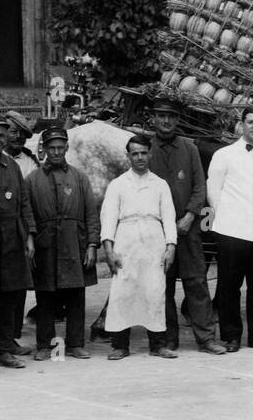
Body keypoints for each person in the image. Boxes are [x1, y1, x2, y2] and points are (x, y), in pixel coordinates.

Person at [148, 96, 225, 356]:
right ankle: (169, 339)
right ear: (154, 118)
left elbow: (200, 187)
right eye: (161, 116)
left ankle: (206, 339)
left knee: (196, 282)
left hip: (188, 228)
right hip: (158, 231)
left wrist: (190, 216)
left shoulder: (190, 149)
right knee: (163, 285)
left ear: (178, 120)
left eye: (171, 116)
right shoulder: (145, 150)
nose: (166, 121)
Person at [208, 106, 253, 351]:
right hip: (231, 229)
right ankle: (231, 336)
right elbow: (214, 191)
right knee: (229, 286)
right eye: (250, 122)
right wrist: (227, 217)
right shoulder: (224, 155)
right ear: (241, 124)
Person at [100, 132, 176, 360]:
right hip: (126, 240)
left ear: (150, 154)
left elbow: (169, 217)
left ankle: (158, 344)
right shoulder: (118, 184)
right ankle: (120, 345)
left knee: (154, 291)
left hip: (154, 241)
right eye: (135, 154)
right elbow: (108, 217)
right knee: (124, 292)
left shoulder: (160, 185)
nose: (140, 157)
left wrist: (170, 246)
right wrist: (109, 249)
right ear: (128, 156)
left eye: (144, 153)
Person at [27, 126, 98, 361]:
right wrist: (30, 240)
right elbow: (26, 215)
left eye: (60, 147)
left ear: (66, 148)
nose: (56, 152)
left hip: (74, 243)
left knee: (76, 295)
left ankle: (76, 344)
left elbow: (91, 214)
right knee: (45, 296)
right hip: (45, 245)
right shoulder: (32, 180)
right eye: (51, 148)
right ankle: (46, 346)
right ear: (45, 149)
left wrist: (91, 245)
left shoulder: (79, 178)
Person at [0, 114, 35, 369]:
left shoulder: (12, 166)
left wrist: (30, 235)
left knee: (9, 293)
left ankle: (4, 346)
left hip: (12, 237)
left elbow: (23, 202)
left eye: (2, 135)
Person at [5, 111, 40, 179]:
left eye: (22, 133)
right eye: (13, 132)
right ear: (4, 133)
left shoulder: (31, 163)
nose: (18, 136)